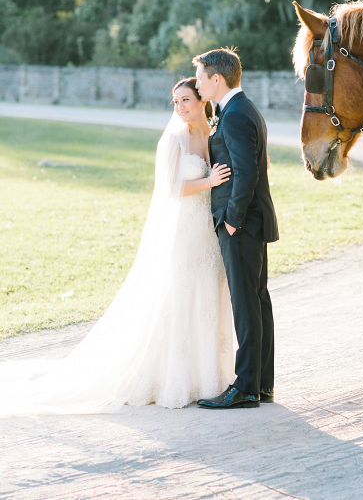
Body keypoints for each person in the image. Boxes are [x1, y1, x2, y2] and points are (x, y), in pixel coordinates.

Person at [0, 78, 234, 416]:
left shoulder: (213, 136)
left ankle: (208, 380)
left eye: (185, 100)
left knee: (207, 299)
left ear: (201, 101)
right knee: (180, 299)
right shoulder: (174, 139)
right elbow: (170, 189)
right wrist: (207, 181)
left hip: (207, 236)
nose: (180, 107)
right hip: (183, 233)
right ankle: (171, 378)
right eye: (175, 102)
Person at [194, 48, 279, 409]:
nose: (197, 84)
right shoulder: (239, 109)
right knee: (257, 301)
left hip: (241, 224)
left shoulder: (235, 115)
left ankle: (245, 388)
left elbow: (246, 173)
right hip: (251, 222)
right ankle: (262, 384)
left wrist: (231, 219)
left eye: (199, 77)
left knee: (247, 305)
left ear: (217, 78)